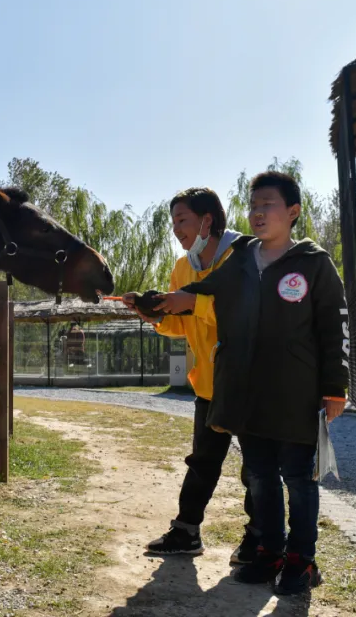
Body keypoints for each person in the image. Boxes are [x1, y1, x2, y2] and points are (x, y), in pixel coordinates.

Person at [157, 171, 348, 595]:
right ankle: (269, 552)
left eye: (269, 205)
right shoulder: (242, 258)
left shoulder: (313, 264)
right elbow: (203, 293)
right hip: (248, 392)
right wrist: (159, 304)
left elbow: (335, 327)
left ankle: (302, 559)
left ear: (292, 212)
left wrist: (335, 388)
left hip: (296, 394)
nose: (259, 214)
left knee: (299, 478)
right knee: (260, 475)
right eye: (254, 206)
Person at [121, 187, 254, 564]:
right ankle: (186, 531)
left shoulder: (242, 256)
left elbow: (247, 316)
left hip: (248, 382)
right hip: (210, 385)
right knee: (202, 462)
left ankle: (257, 538)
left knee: (256, 468)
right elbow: (185, 325)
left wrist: (194, 302)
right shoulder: (183, 267)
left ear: (207, 220)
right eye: (173, 222)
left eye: (183, 220)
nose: (176, 229)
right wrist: (156, 315)